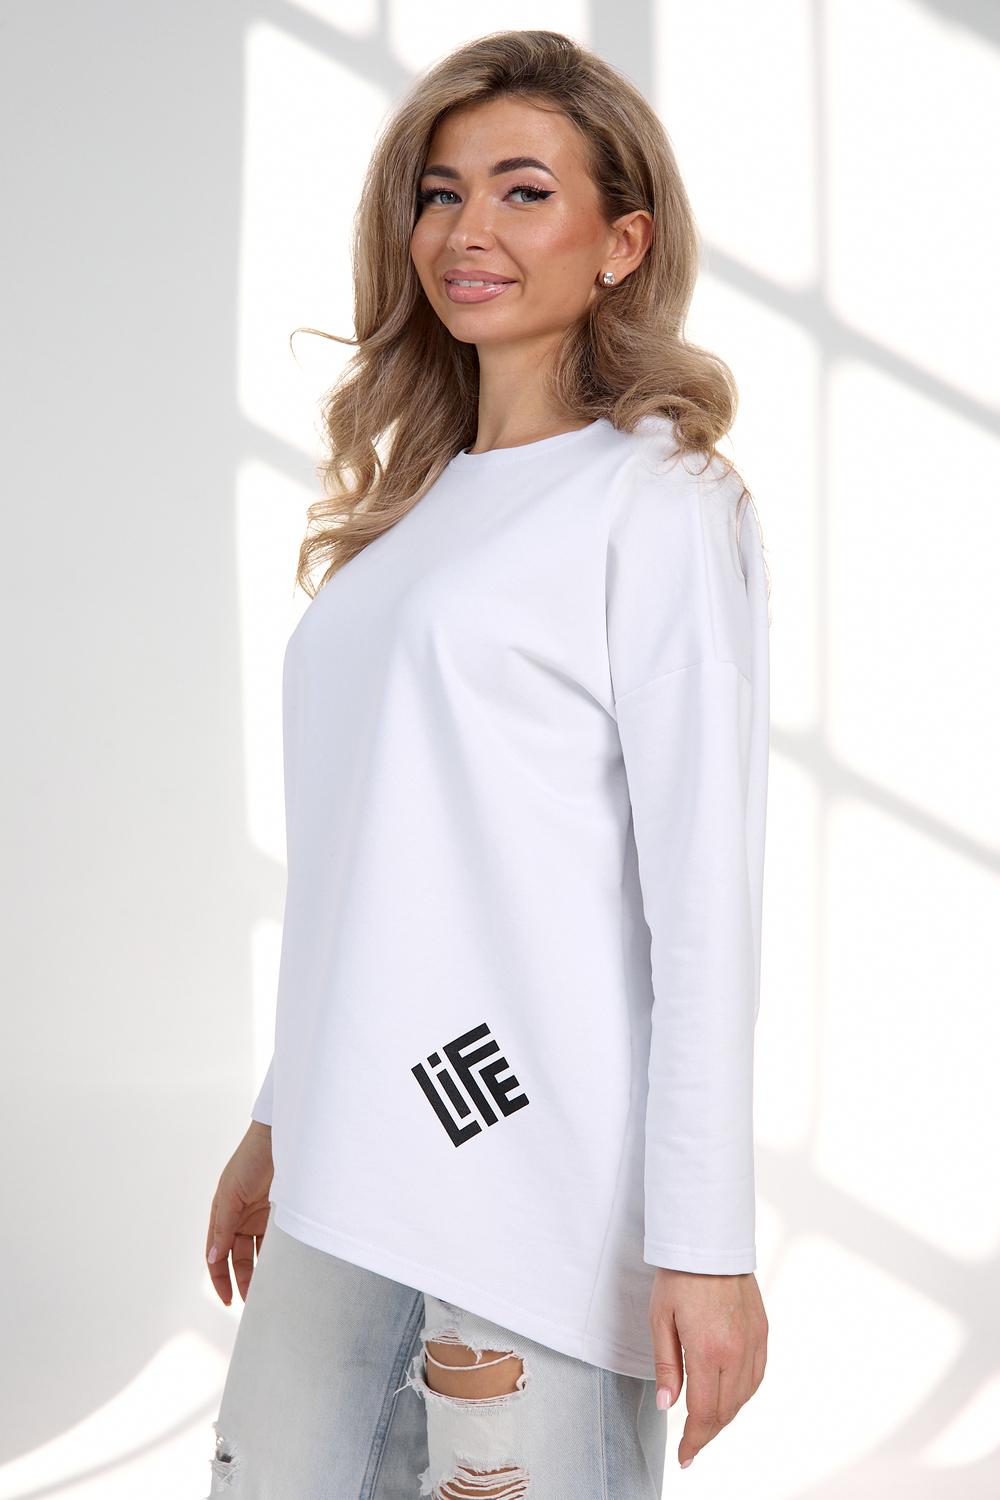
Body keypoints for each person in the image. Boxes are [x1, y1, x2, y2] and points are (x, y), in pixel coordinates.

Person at [205, 29, 769, 1500]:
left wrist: (707, 1244)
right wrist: (277, 1114)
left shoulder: (660, 500)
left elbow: (702, 904)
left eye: (525, 191)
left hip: (524, 1166)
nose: (468, 230)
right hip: (344, 1158)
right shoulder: (410, 516)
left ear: (622, 242)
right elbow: (375, 862)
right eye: (441, 192)